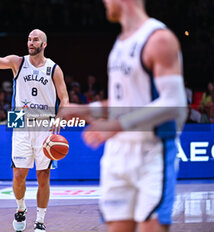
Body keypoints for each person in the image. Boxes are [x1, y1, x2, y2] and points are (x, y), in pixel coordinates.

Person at [60, 0, 187, 231]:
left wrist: (117, 125)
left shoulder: (159, 39)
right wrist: (87, 109)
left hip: (152, 152)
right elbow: (125, 102)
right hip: (118, 155)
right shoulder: (119, 44)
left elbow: (174, 103)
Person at [0, 27, 69, 232]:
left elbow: (64, 97)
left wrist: (60, 117)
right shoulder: (17, 62)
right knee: (19, 174)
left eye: (35, 40)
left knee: (43, 176)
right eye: (29, 39)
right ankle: (21, 208)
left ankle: (40, 220)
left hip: (45, 125)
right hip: (20, 121)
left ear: (44, 44)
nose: (31, 42)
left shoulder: (53, 68)